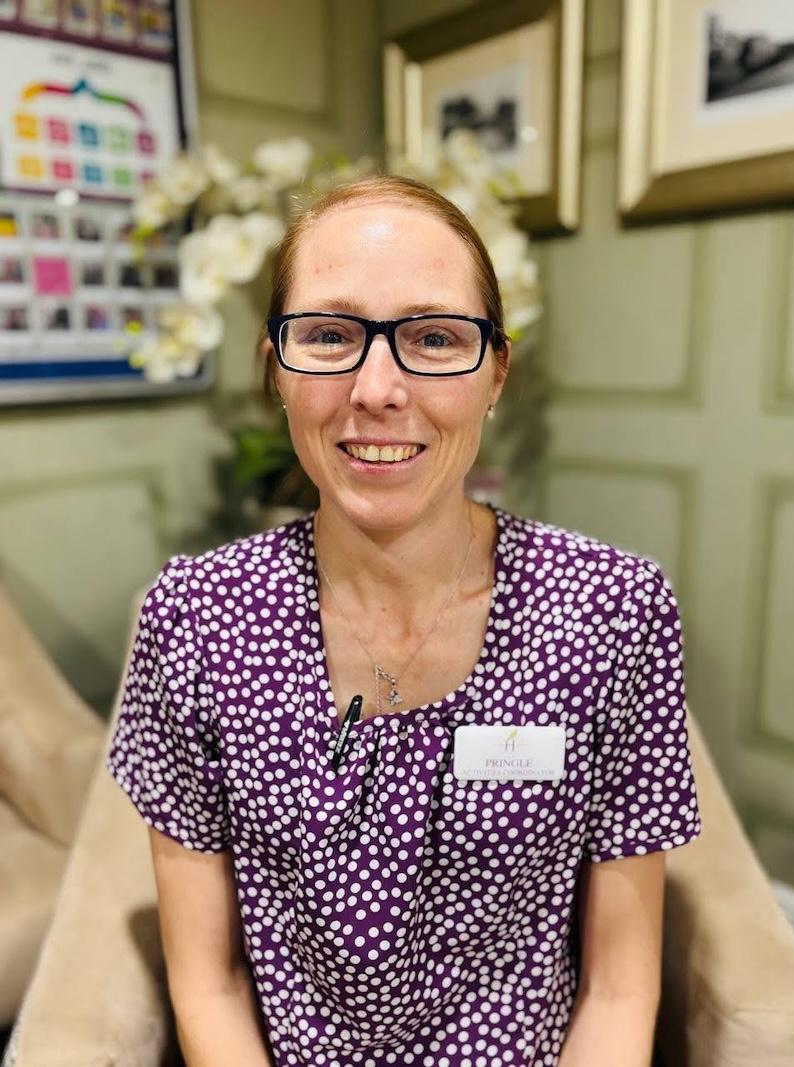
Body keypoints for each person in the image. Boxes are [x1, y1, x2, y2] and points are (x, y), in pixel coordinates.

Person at [105, 173, 703, 1067]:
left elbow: (619, 986)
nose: (377, 388)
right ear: (275, 367)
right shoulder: (194, 618)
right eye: (329, 335)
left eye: (433, 337)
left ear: (496, 371)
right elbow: (209, 981)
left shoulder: (612, 611)